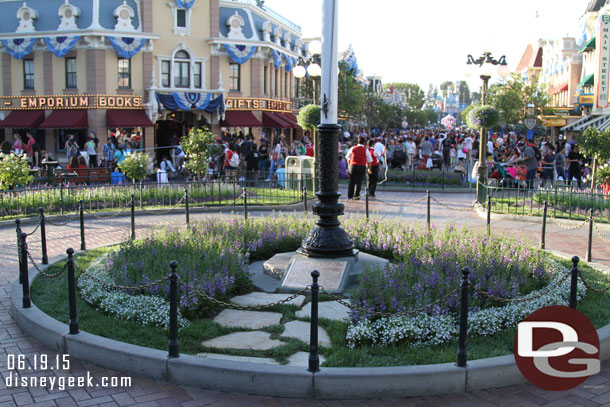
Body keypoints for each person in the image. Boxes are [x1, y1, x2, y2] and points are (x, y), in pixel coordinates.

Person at [345, 135, 372, 200]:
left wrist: (349, 165)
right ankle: (356, 196)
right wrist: (369, 168)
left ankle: (350, 195)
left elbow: (348, 157)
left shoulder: (353, 148)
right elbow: (369, 160)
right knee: (358, 182)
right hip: (361, 166)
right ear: (364, 143)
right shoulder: (365, 150)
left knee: (351, 181)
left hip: (353, 166)